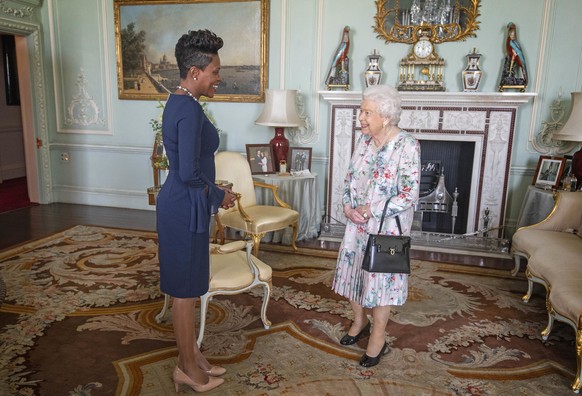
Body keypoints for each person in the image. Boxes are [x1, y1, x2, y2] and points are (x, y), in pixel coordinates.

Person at [156, 29, 236, 393]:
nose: (219, 78)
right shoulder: (187, 108)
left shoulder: (181, 101)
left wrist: (216, 191)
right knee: (184, 291)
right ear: (194, 72)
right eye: (215, 71)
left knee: (189, 285)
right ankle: (186, 367)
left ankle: (194, 356)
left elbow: (190, 167)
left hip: (185, 202)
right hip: (182, 206)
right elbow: (187, 172)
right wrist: (218, 195)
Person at [332, 84, 420, 368]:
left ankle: (378, 337)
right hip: (356, 225)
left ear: (385, 116)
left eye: (366, 112)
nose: (360, 117)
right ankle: (359, 321)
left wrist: (370, 209)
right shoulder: (364, 141)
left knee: (382, 284)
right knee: (353, 273)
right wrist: (347, 207)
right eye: (361, 110)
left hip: (387, 230)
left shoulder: (407, 145)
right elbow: (348, 179)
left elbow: (408, 195)